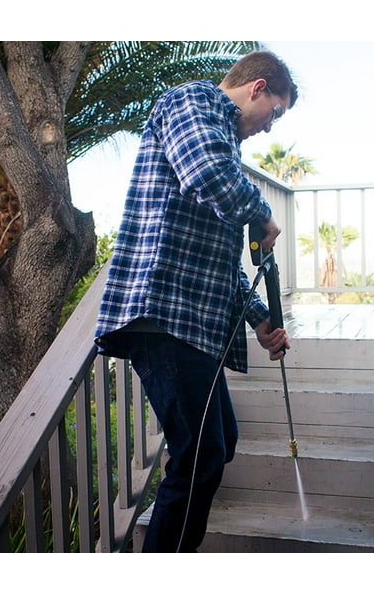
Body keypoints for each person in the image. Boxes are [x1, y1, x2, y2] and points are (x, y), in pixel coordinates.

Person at [94, 49, 298, 552]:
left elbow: (221, 265)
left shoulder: (225, 144)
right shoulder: (193, 102)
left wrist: (259, 320)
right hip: (163, 313)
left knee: (218, 444)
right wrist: (261, 212)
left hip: (190, 321)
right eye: (276, 111)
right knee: (199, 458)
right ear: (257, 88)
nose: (270, 127)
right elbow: (206, 174)